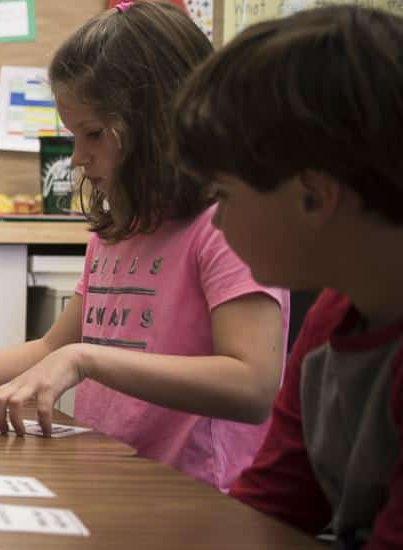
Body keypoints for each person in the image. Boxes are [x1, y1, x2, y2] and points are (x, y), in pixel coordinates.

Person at [0, 1, 288, 492]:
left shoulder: (227, 225)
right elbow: (49, 348)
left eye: (94, 134)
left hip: (197, 500)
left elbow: (251, 384)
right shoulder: (117, 228)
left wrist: (86, 359)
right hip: (115, 483)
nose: (77, 157)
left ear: (161, 122)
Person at [169, 5, 403, 546]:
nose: (218, 220)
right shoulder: (336, 315)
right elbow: (271, 510)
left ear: (315, 196)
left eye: (224, 194)